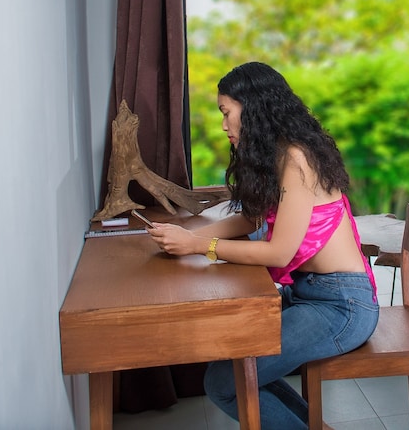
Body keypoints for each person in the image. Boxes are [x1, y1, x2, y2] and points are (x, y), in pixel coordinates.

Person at [146, 61, 379, 429]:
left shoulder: (297, 159)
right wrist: (189, 236)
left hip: (341, 306)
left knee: (224, 383)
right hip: (309, 293)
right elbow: (252, 219)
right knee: (235, 363)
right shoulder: (279, 153)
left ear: (252, 108)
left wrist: (197, 245)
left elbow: (278, 253)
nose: (224, 125)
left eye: (227, 112)